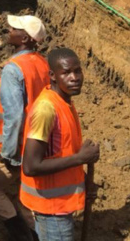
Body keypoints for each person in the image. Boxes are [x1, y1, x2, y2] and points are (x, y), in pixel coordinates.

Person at [0, 15, 50, 240]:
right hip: (36, 144)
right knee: (25, 195)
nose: (9, 29)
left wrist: (8, 154)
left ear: (26, 38)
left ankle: (21, 235)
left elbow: (14, 115)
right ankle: (36, 235)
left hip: (14, 146)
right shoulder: (42, 63)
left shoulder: (14, 69)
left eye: (15, 28)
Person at [21, 48, 100, 241]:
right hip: (52, 210)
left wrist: (82, 182)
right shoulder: (46, 110)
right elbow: (31, 166)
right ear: (52, 76)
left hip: (59, 206)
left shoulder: (64, 103)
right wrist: (80, 158)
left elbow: (59, 152)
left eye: (77, 71)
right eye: (66, 73)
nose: (74, 78)